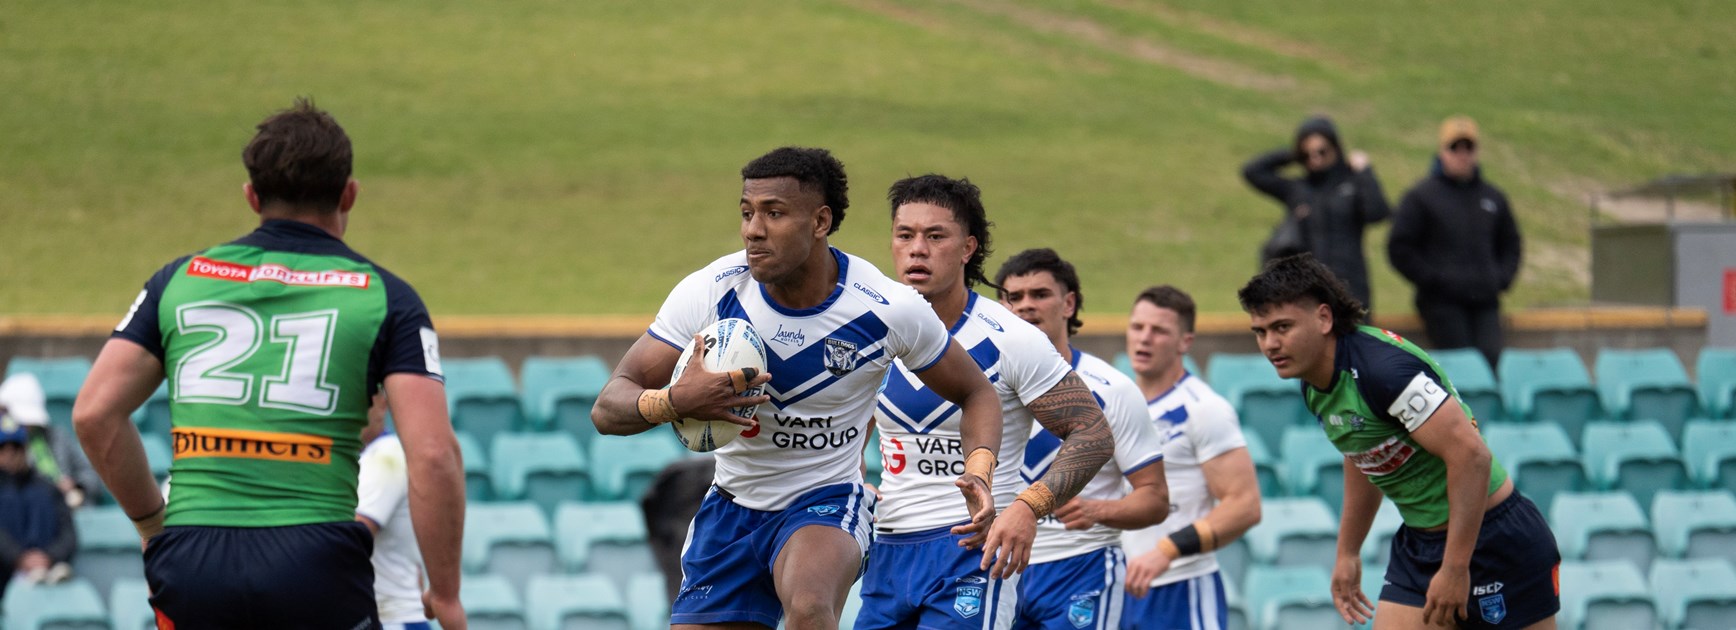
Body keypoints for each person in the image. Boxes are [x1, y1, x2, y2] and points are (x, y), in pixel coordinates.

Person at [71, 98, 467, 629]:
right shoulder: (386, 297)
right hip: (315, 561)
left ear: (252, 196)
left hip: (193, 560)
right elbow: (435, 454)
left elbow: (94, 415)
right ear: (349, 192)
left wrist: (150, 525)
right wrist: (445, 593)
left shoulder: (178, 280)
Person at [591, 147, 1006, 630]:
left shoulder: (888, 308)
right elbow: (608, 406)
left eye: (774, 213)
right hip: (731, 506)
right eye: (747, 213)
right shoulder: (713, 291)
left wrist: (979, 471)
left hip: (825, 499)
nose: (753, 229)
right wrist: (673, 401)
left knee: (809, 605)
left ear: (820, 221)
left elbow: (977, 393)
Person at [1237, 254, 1558, 629]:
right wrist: (1348, 552)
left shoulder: (1383, 372)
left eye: (1282, 327)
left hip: (1495, 540)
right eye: (1260, 332)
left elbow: (1472, 457)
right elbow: (1362, 452)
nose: (1270, 344)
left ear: (1324, 318)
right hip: (1421, 543)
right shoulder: (1315, 381)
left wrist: (1455, 568)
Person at [861, 175, 1115, 630]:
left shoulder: (1012, 338)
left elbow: (1092, 433)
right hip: (889, 550)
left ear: (967, 248)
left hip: (972, 552)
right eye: (905, 235)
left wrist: (1026, 507)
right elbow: (846, 425)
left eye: (935, 236)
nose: (918, 249)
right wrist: (852, 482)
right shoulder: (871, 330)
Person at [994, 248, 1170, 630]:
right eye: (1014, 297)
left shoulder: (1113, 390)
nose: (1026, 306)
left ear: (1068, 303)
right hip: (998, 567)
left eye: (1040, 295)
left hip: (1081, 567)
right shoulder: (979, 385)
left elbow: (1155, 500)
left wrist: (1096, 510)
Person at [1119, 286, 1263, 630]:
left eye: (1159, 331)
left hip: (1180, 587)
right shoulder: (1119, 403)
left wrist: (1167, 551)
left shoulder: (1203, 408)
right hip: (1121, 588)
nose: (1145, 339)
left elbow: (1245, 506)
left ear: (1185, 342)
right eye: (1137, 327)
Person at [1389, 116, 1522, 367]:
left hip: (1485, 301)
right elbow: (1399, 247)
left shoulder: (1492, 197)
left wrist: (1500, 278)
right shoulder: (1421, 196)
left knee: (1492, 363)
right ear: (1441, 152)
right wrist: (1433, 280)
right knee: (1460, 368)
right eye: (1454, 148)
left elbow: (1511, 243)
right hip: (1441, 304)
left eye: (1468, 148)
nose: (1462, 155)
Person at [1242, 115, 1391, 313]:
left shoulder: (1352, 184)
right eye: (1307, 154)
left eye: (1322, 151)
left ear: (1336, 148)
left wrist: (1365, 172)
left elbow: (1378, 212)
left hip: (1351, 286)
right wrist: (1293, 154)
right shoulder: (1298, 189)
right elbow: (1253, 172)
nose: (1315, 159)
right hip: (1308, 289)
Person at [355, 394, 430, 630]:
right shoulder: (364, 458)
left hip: (393, 620)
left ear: (382, 402)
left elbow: (354, 537)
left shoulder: (386, 457)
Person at [1, 417, 77, 601]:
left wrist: (49, 556)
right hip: (5, 573)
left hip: (48, 569)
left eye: (16, 447)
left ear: (25, 449)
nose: (10, 454)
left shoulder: (47, 488)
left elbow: (69, 534)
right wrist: (19, 558)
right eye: (2, 448)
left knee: (39, 497)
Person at [1, 374, 102, 508]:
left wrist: (77, 487)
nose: (25, 426)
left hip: (69, 514)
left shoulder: (58, 436)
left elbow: (91, 475)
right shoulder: (5, 449)